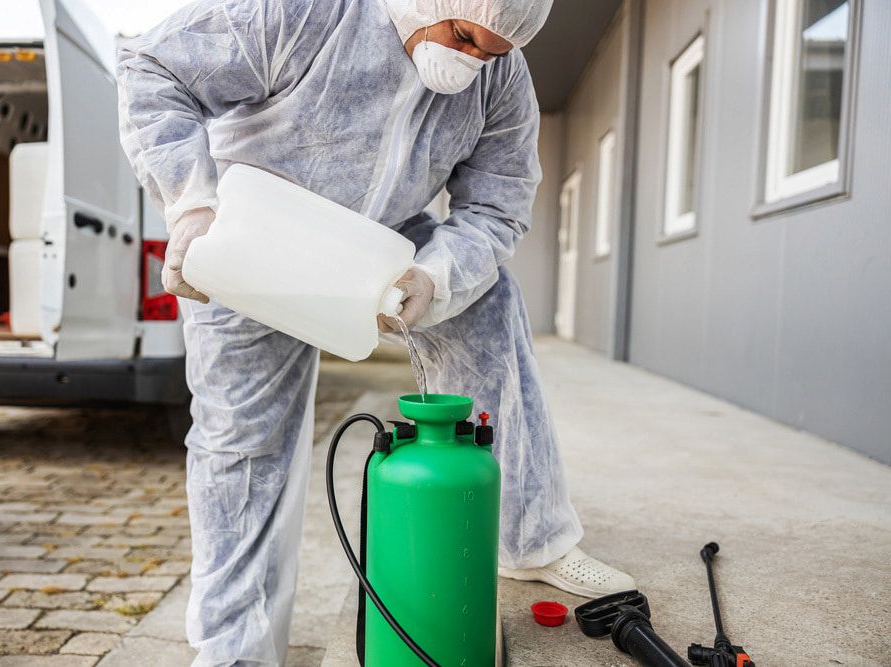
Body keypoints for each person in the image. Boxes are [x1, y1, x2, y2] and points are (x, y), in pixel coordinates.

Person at [117, 0, 634, 663]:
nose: (472, 59)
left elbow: (497, 207)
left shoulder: (501, 79)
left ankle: (528, 539)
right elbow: (152, 65)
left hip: (374, 242)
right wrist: (190, 202)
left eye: (493, 50)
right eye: (463, 35)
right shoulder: (306, 13)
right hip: (250, 239)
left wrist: (434, 277)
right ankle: (234, 649)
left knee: (488, 300)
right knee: (241, 446)